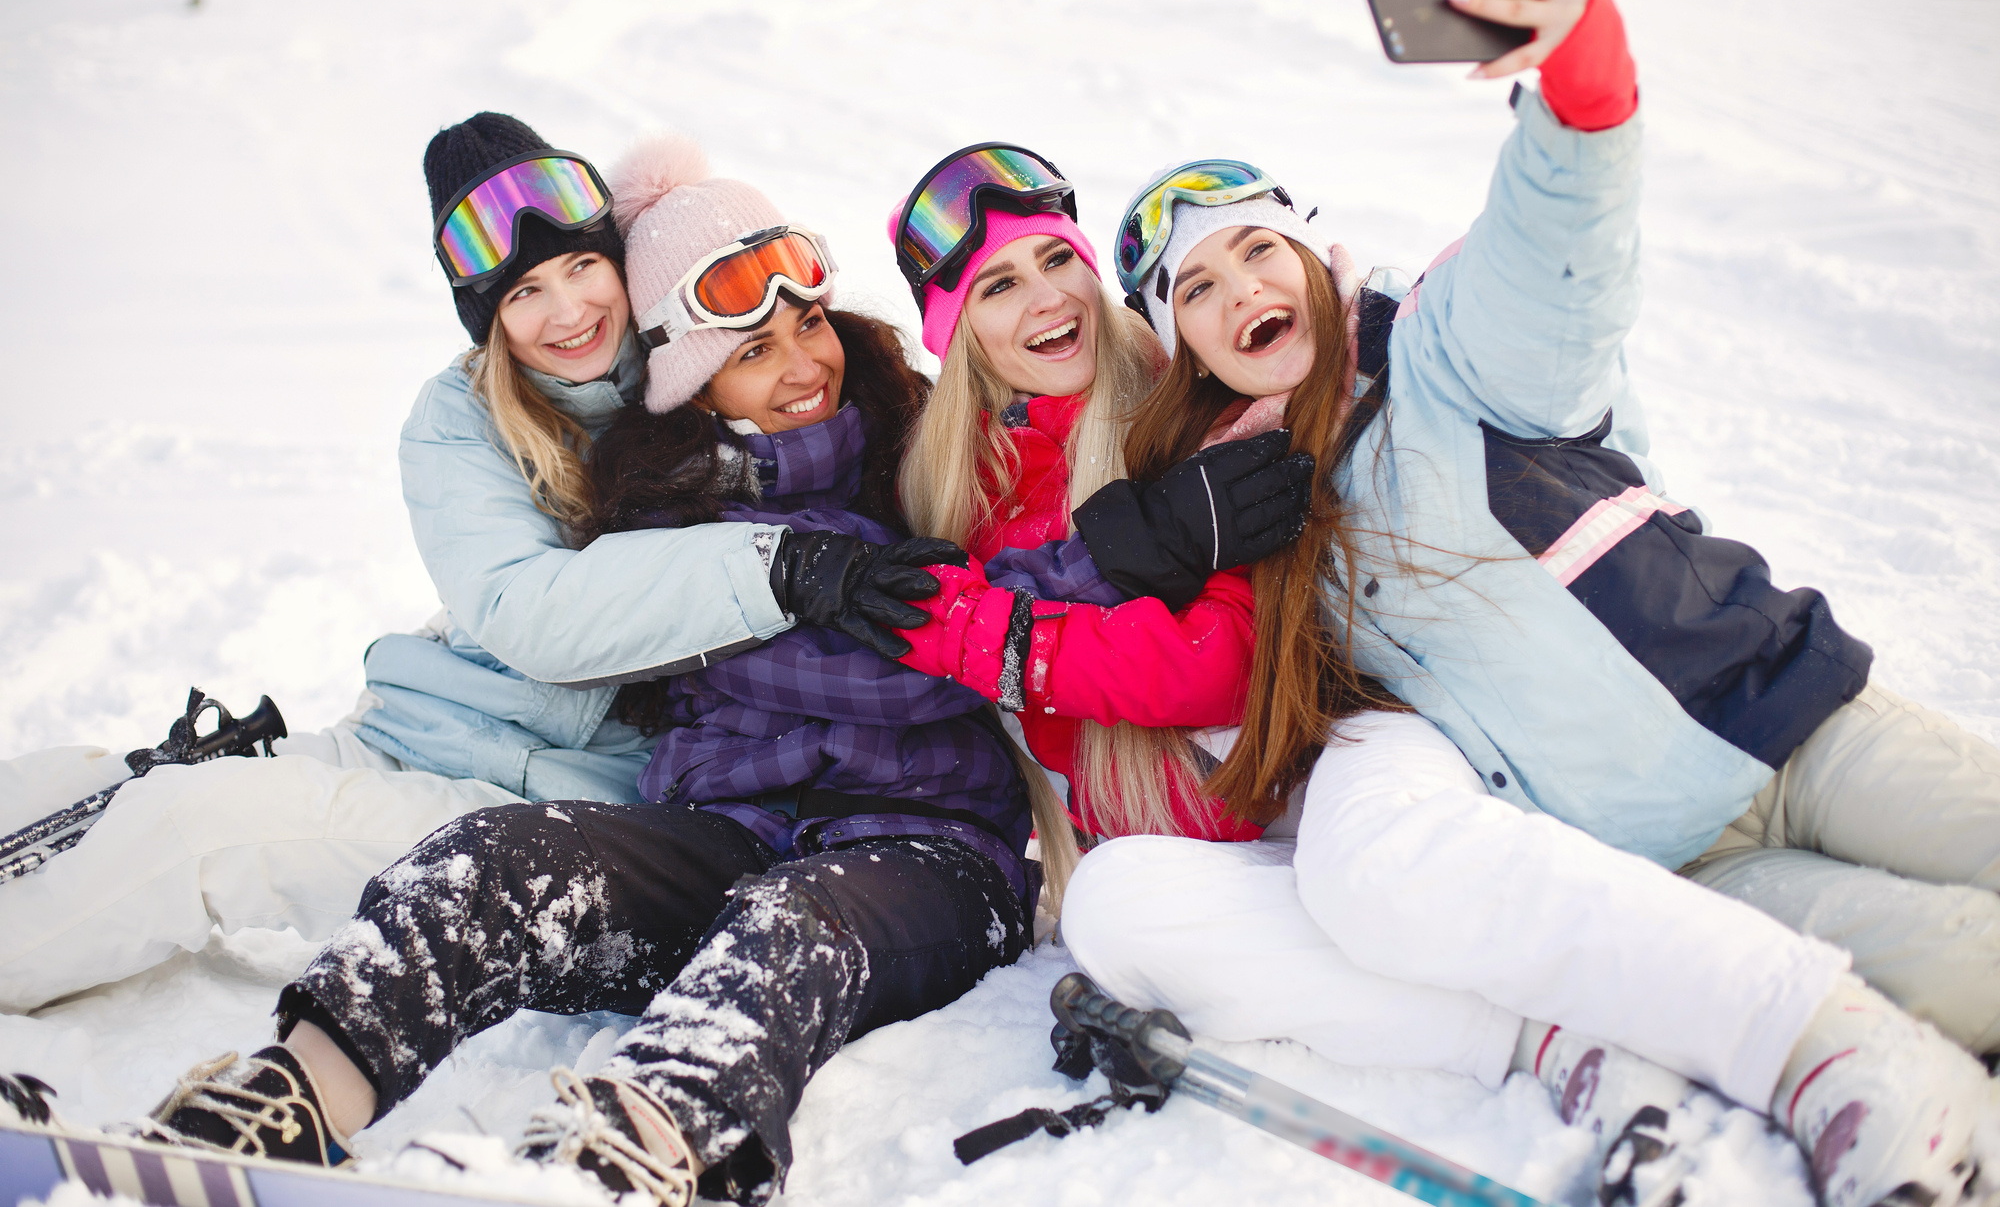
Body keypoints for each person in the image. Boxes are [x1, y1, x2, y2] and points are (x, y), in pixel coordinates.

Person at [1065, 0, 1998, 1207]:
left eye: (1255, 250)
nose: (1239, 291)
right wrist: (1141, 551)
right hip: (1678, 865)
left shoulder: (1444, 354)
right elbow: (1242, 728)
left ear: (1309, 252)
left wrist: (1579, 92)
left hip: (1791, 719)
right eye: (1194, 286)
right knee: (1966, 973)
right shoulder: (1247, 528)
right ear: (1179, 338)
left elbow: (1551, 264)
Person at [130, 139, 1053, 1207]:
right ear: (692, 384)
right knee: (484, 860)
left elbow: (1022, 599)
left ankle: (641, 1142)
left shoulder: (926, 442)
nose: (805, 364)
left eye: (809, 323)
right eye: (752, 347)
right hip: (731, 831)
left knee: (791, 927)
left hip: (932, 856)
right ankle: (292, 1095)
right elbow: (555, 620)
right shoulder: (661, 518)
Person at [0, 115, 941, 1013]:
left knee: (201, 830)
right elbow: (526, 612)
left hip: (552, 797)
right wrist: (779, 567)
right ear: (486, 317)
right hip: (414, 730)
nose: (568, 311)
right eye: (526, 292)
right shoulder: (463, 414)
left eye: (583, 266)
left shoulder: (705, 371)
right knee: (123, 784)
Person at [885, 143, 1314, 846]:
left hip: (1285, 811)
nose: (1049, 298)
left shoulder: (1192, 393)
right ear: (961, 335)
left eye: (1057, 261)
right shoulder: (955, 492)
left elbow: (1221, 664)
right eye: (999, 286)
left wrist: (983, 629)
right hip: (1137, 849)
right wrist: (1109, 559)